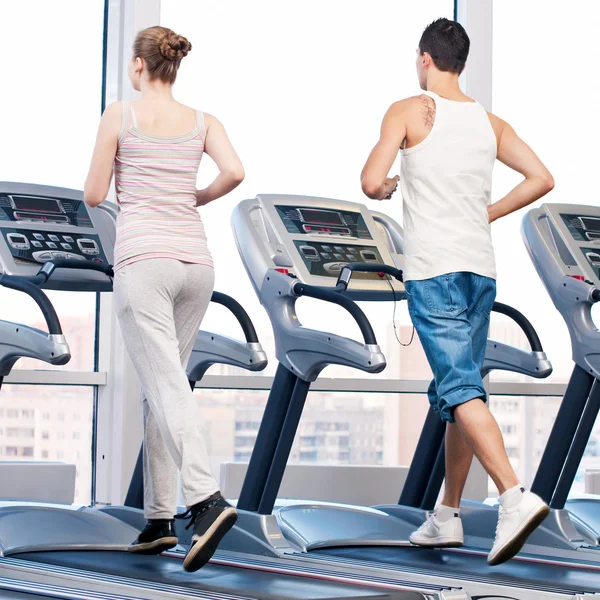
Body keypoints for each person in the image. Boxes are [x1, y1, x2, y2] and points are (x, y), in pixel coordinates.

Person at [360, 18, 554, 566]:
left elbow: (371, 183)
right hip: (479, 270)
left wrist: (392, 183)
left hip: (434, 269)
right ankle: (446, 515)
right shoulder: (490, 123)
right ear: (461, 63)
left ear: (425, 59)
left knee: (460, 387)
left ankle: (514, 497)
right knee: (459, 393)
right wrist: (485, 212)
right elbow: (542, 177)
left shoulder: (408, 109)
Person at [84, 25, 245, 572]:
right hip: (196, 264)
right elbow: (236, 171)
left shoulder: (120, 115)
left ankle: (204, 501)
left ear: (138, 67)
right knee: (164, 383)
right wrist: (197, 194)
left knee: (167, 383)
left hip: (144, 262)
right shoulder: (203, 121)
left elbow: (93, 194)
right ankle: (159, 518)